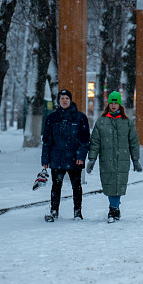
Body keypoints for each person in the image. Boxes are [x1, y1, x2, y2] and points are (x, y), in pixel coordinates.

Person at [86, 91, 142, 223]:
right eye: (111, 102)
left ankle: (113, 208)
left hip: (122, 159)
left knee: (119, 184)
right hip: (107, 159)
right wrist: (92, 159)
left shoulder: (127, 122)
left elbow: (134, 142)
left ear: (120, 105)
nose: (113, 105)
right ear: (108, 104)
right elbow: (95, 142)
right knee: (110, 184)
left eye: (116, 102)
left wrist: (136, 160)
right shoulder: (101, 122)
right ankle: (114, 208)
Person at [41, 89, 90, 222]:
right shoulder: (52, 118)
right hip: (57, 158)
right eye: (62, 98)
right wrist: (45, 159)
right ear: (59, 101)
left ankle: (78, 213)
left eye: (66, 98)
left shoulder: (80, 118)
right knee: (56, 186)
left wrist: (81, 156)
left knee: (76, 186)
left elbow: (85, 140)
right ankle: (54, 212)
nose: (64, 100)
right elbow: (47, 141)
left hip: (75, 159)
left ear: (70, 100)